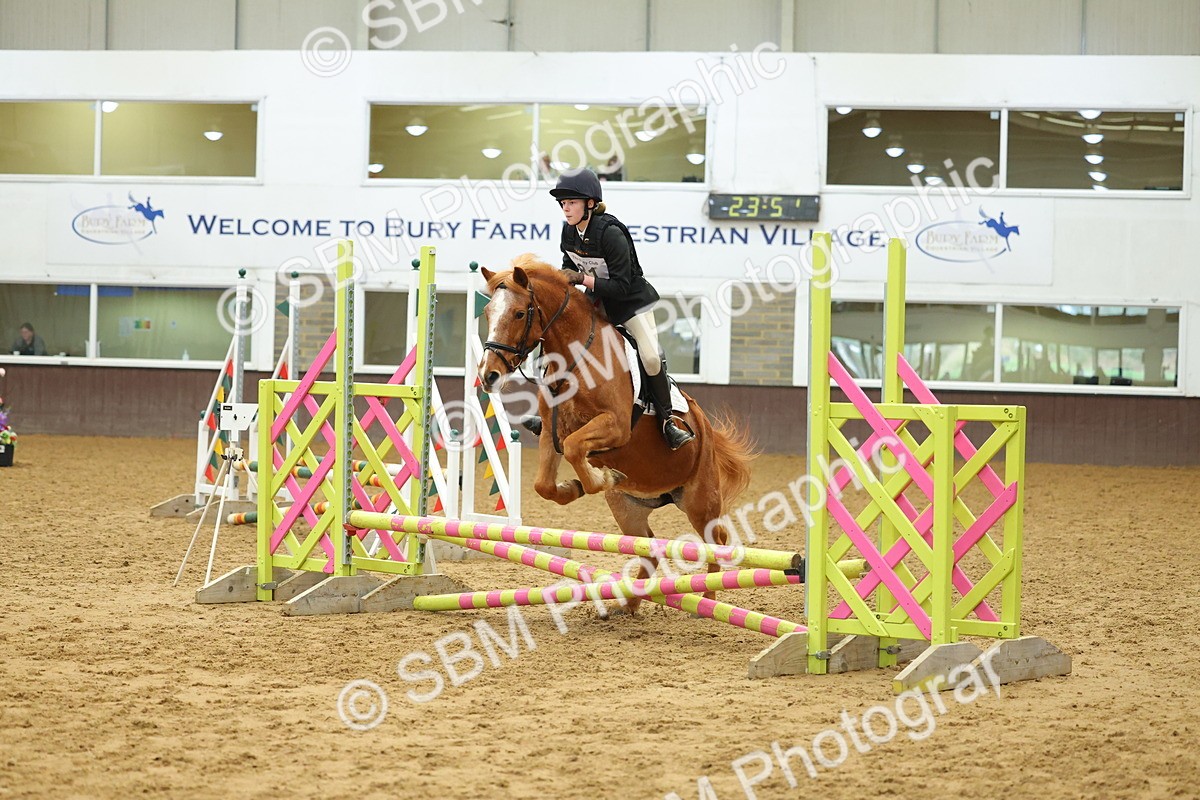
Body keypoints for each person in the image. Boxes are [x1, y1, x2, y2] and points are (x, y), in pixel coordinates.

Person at [545, 167, 694, 450]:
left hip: (631, 305)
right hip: (597, 304)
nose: (566, 208)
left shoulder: (610, 233)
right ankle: (553, 414)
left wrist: (581, 279)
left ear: (590, 203)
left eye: (572, 202)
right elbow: (569, 265)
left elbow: (621, 286)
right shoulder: (569, 231)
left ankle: (667, 421)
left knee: (650, 357)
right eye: (563, 203)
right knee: (562, 342)